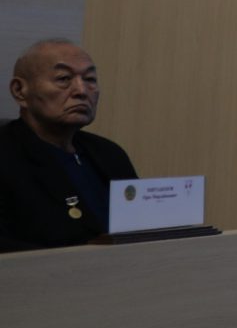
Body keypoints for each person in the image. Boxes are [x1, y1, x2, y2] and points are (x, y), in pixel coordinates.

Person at [0, 39, 139, 251]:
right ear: (20, 91)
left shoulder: (109, 153)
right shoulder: (7, 153)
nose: (81, 90)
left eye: (90, 79)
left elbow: (139, 229)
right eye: (64, 79)